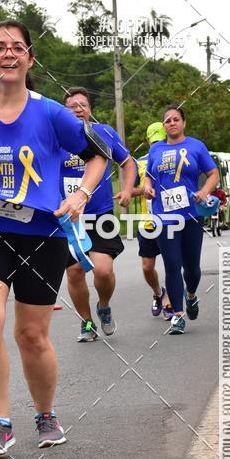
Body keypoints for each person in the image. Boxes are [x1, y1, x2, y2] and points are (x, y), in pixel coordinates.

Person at [0, 21, 109, 459]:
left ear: (30, 59)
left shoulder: (51, 112)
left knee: (32, 335)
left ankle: (45, 414)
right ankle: (1, 422)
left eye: (17, 48)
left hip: (41, 234)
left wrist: (81, 194)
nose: (8, 55)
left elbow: (96, 158)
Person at [60, 87, 136, 340]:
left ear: (89, 109)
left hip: (100, 214)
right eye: (71, 107)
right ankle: (87, 323)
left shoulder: (103, 133)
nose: (78, 109)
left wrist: (126, 190)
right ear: (64, 113)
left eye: (82, 104)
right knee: (74, 272)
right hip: (69, 218)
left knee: (103, 271)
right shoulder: (56, 138)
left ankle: (103, 306)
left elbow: (127, 162)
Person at [143, 105, 219, 335]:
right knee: (172, 265)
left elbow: (213, 174)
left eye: (176, 119)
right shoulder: (156, 150)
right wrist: (147, 187)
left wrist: (204, 191)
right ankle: (177, 315)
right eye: (167, 121)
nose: (172, 123)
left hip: (191, 215)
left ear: (183, 123)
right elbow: (148, 176)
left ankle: (191, 295)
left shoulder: (196, 146)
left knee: (192, 269)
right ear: (164, 126)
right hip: (164, 218)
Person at [131, 121, 173, 319]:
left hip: (172, 220)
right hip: (148, 222)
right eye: (153, 142)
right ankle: (159, 293)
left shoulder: (173, 158)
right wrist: (144, 190)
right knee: (147, 267)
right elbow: (129, 190)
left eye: (160, 141)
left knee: (173, 263)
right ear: (148, 142)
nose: (156, 145)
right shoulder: (140, 162)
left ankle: (171, 302)